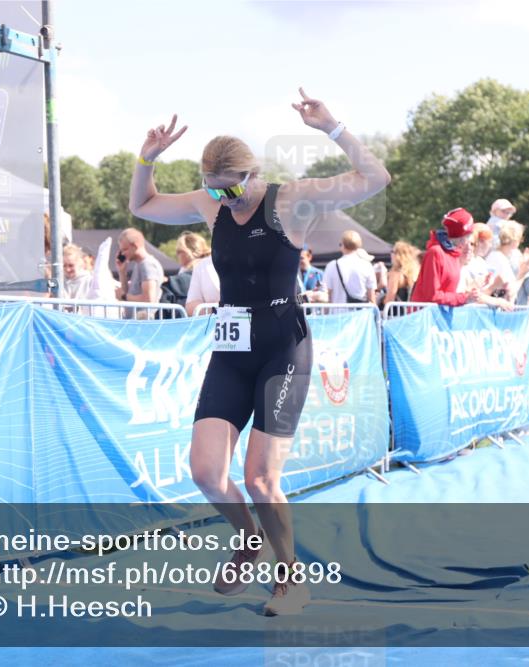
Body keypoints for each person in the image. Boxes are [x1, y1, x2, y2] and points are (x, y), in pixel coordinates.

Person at [127, 89, 390, 616]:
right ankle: (250, 538)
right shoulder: (210, 202)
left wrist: (332, 127)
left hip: (281, 346)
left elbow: (375, 178)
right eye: (214, 190)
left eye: (231, 189)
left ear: (252, 175)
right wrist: (147, 159)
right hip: (232, 348)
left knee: (260, 479)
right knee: (206, 472)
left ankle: (291, 581)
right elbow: (143, 205)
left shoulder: (292, 199)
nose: (223, 200)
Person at [410, 207, 512, 310]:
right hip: (424, 316)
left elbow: (453, 292)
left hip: (441, 316)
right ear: (462, 235)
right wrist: (465, 298)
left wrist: (475, 289)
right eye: (469, 235)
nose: (470, 242)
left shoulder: (454, 254)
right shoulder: (435, 253)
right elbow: (432, 296)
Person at [116, 228, 165, 318]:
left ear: (135, 246)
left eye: (125, 249)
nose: (122, 254)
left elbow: (148, 299)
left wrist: (124, 297)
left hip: (144, 322)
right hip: (137, 321)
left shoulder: (147, 265)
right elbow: (128, 293)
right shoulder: (140, 264)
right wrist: (122, 272)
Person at [323, 230, 377, 304]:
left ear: (343, 246)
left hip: (337, 310)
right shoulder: (367, 266)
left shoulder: (332, 266)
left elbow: (328, 295)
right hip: (361, 310)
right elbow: (371, 297)